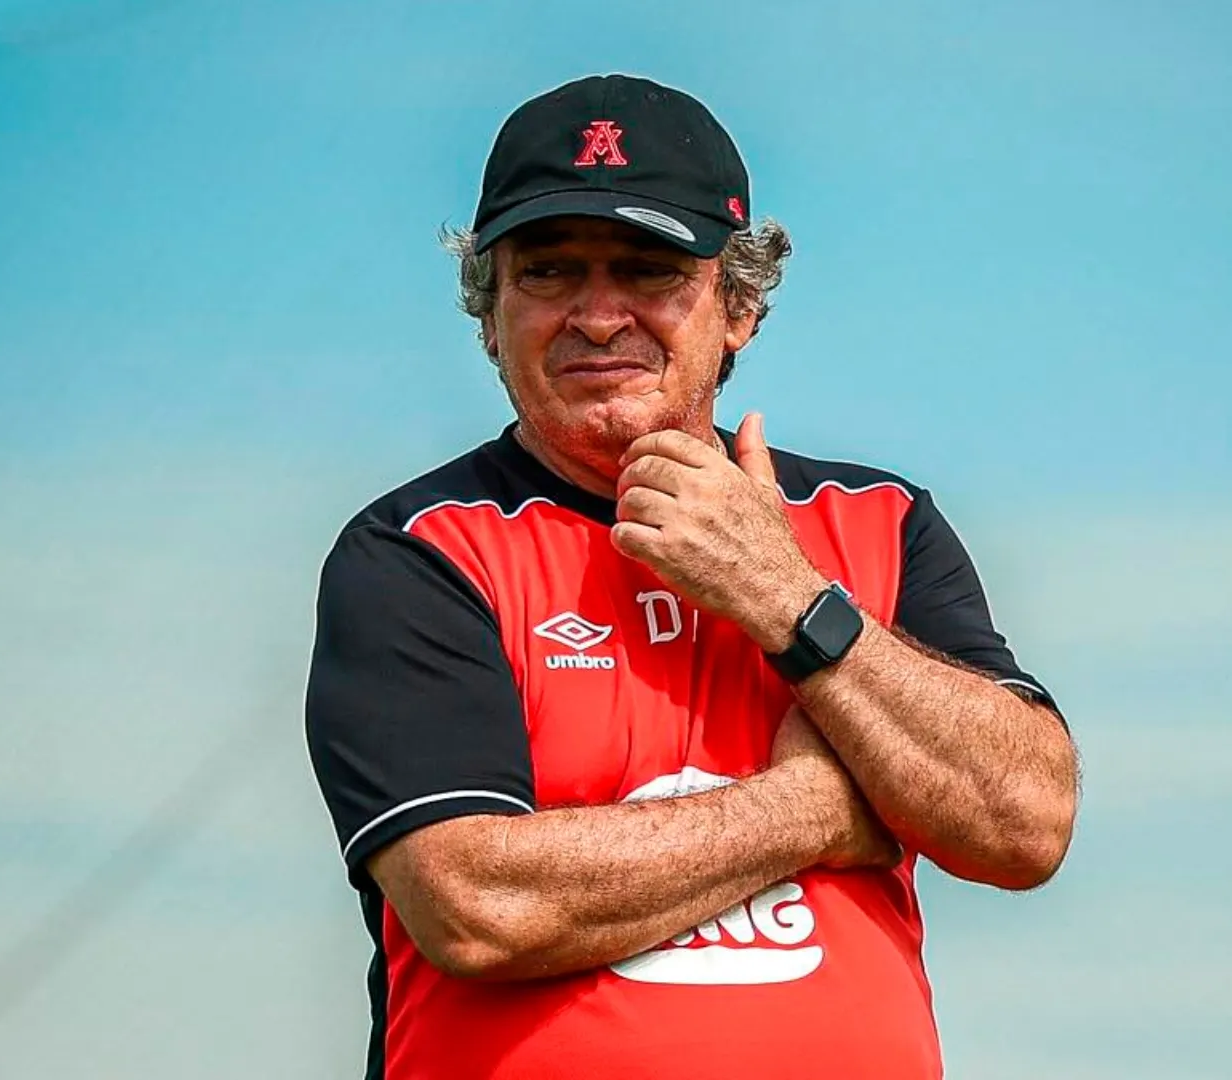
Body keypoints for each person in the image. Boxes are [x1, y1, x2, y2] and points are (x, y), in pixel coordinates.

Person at [305, 73, 1080, 1080]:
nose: (595, 315)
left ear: (741, 308)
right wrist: (811, 810)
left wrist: (789, 599)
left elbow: (1023, 821)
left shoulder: (877, 523)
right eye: (546, 273)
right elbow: (477, 905)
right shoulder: (419, 548)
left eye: (648, 269)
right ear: (488, 316)